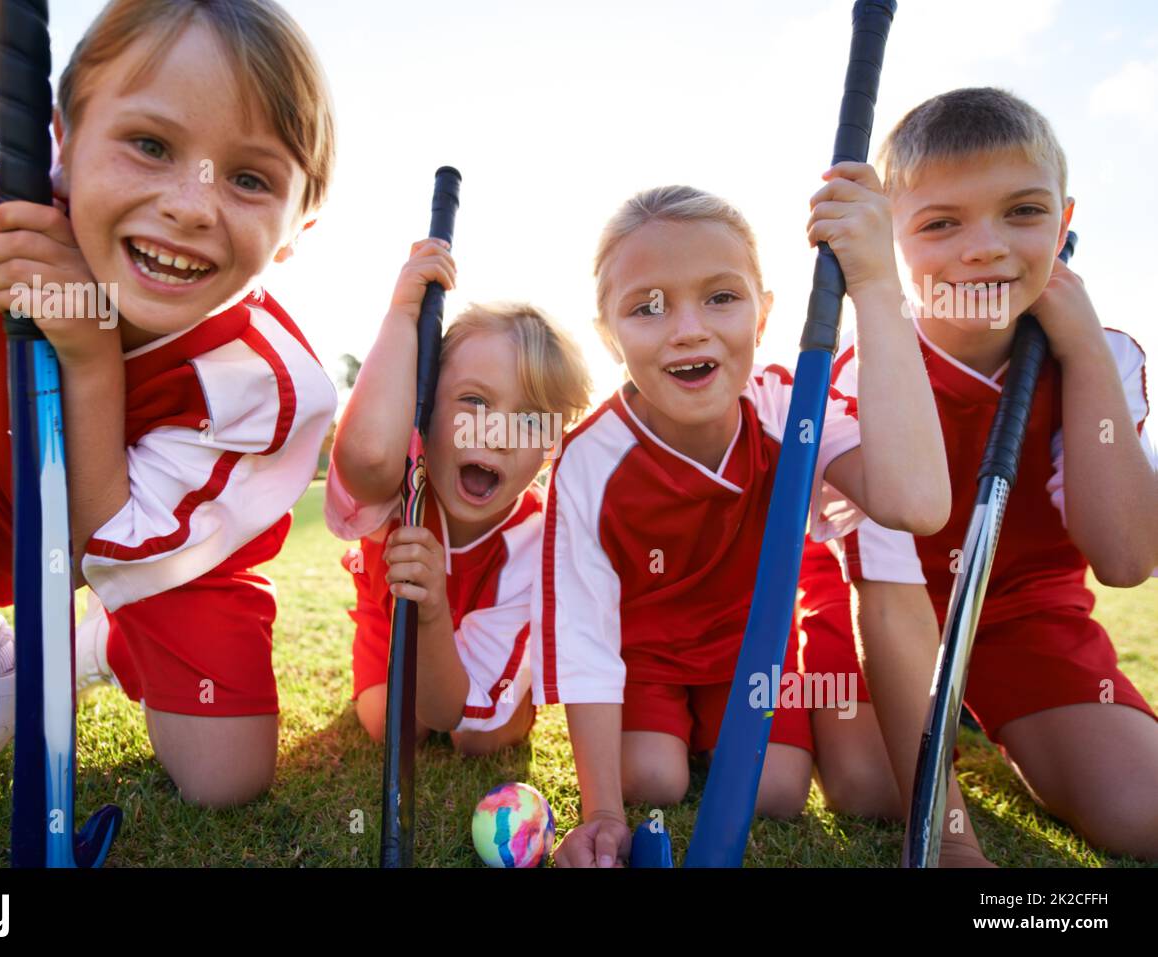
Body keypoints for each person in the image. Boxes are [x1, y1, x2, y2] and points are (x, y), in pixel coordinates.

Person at [0, 0, 337, 826]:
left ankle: (113, 642)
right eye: (150, 146)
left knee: (223, 778)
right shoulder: (0, 220)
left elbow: (99, 545)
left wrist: (85, 354)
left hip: (169, 559)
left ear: (297, 228)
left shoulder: (268, 380)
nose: (191, 205)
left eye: (249, 178)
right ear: (64, 144)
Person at [537, 182, 952, 867]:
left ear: (763, 316)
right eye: (647, 308)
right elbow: (584, 638)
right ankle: (678, 738)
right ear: (609, 335)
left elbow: (916, 503)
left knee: (781, 790)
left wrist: (876, 283)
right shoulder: (588, 459)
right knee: (653, 779)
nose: (688, 327)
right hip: (646, 659)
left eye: (721, 297)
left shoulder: (792, 407)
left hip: (747, 652)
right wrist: (604, 808)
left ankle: (714, 729)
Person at [802, 87, 1158, 864]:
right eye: (940, 223)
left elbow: (1127, 558)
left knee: (1144, 813)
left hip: (1025, 612)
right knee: (870, 786)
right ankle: (946, 710)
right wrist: (948, 836)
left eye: (1023, 212)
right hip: (885, 613)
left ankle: (986, 709)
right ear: (890, 240)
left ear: (1065, 225)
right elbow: (887, 599)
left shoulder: (1109, 360)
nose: (986, 247)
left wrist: (1082, 346)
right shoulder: (866, 376)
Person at [327, 234, 591, 753]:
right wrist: (403, 315)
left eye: (530, 419)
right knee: (395, 725)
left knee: (480, 738)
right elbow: (364, 455)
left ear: (552, 446)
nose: (495, 432)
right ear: (424, 406)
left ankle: (507, 693)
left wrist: (434, 610)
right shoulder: (396, 483)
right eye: (473, 400)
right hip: (394, 620)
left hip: (474, 628)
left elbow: (453, 711)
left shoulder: (536, 546)